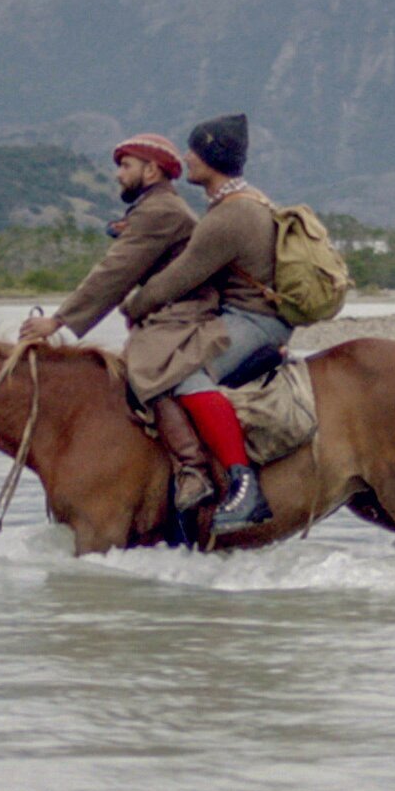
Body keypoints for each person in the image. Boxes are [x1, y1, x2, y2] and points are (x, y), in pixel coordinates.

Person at [16, 133, 220, 518]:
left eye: (126, 166)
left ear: (152, 169)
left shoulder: (162, 212)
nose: (118, 175)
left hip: (185, 315)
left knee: (146, 371)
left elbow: (114, 272)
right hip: (166, 313)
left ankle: (194, 469)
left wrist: (57, 321)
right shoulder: (151, 209)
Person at [121, 112, 287, 529]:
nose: (186, 157)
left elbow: (177, 279)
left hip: (254, 321)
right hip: (240, 314)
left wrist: (134, 308)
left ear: (211, 156)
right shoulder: (242, 202)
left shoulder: (230, 215)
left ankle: (243, 485)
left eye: (194, 149)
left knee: (181, 375)